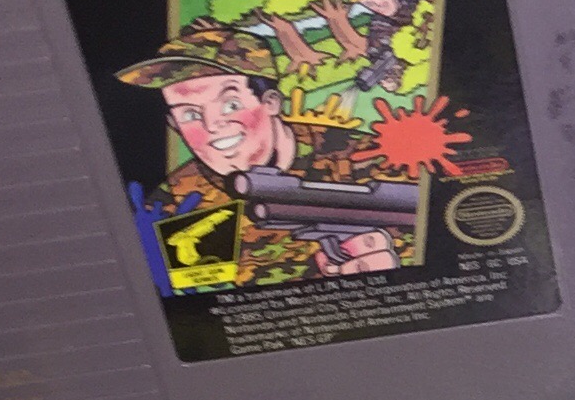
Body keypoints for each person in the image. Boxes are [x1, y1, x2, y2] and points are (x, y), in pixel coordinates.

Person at [116, 25, 404, 280]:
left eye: (231, 105)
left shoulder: (371, 159)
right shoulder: (174, 203)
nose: (212, 125)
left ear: (271, 102)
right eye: (190, 114)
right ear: (174, 125)